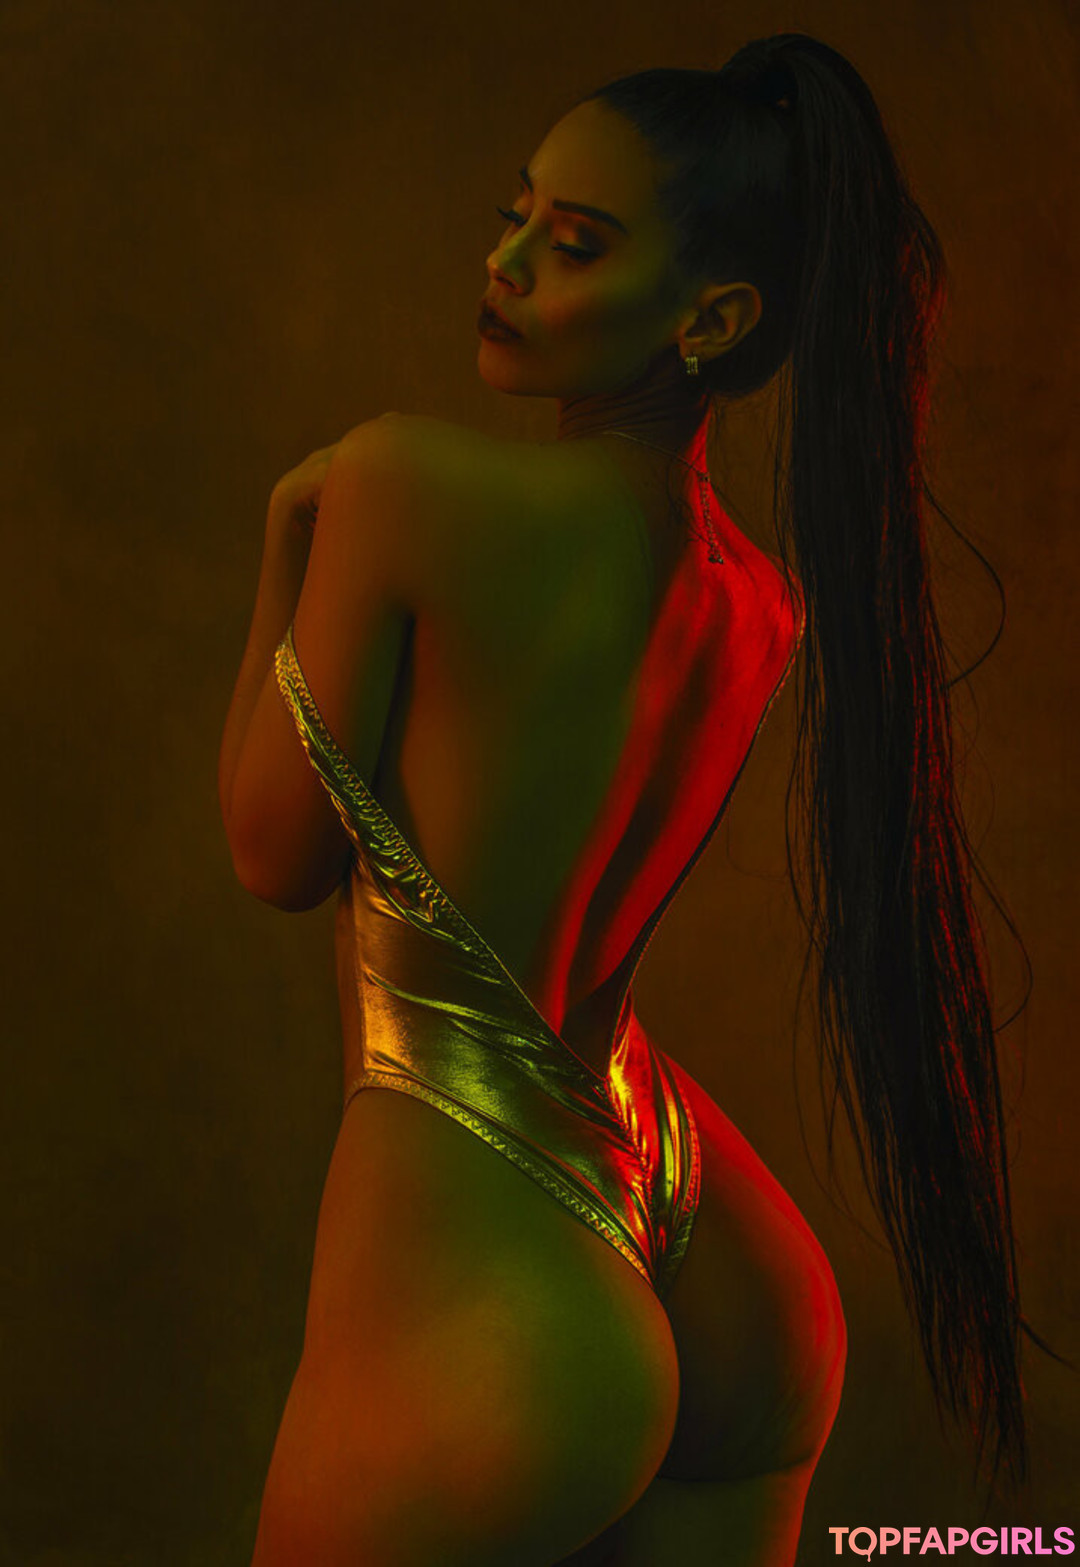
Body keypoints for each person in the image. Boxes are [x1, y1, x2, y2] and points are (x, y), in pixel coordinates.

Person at [219, 32, 1037, 1566]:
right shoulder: (760, 601)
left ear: (711, 319)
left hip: (497, 1275)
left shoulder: (400, 489)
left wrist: (286, 548)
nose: (509, 262)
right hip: (719, 1255)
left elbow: (274, 851)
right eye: (516, 215)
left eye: (576, 243)